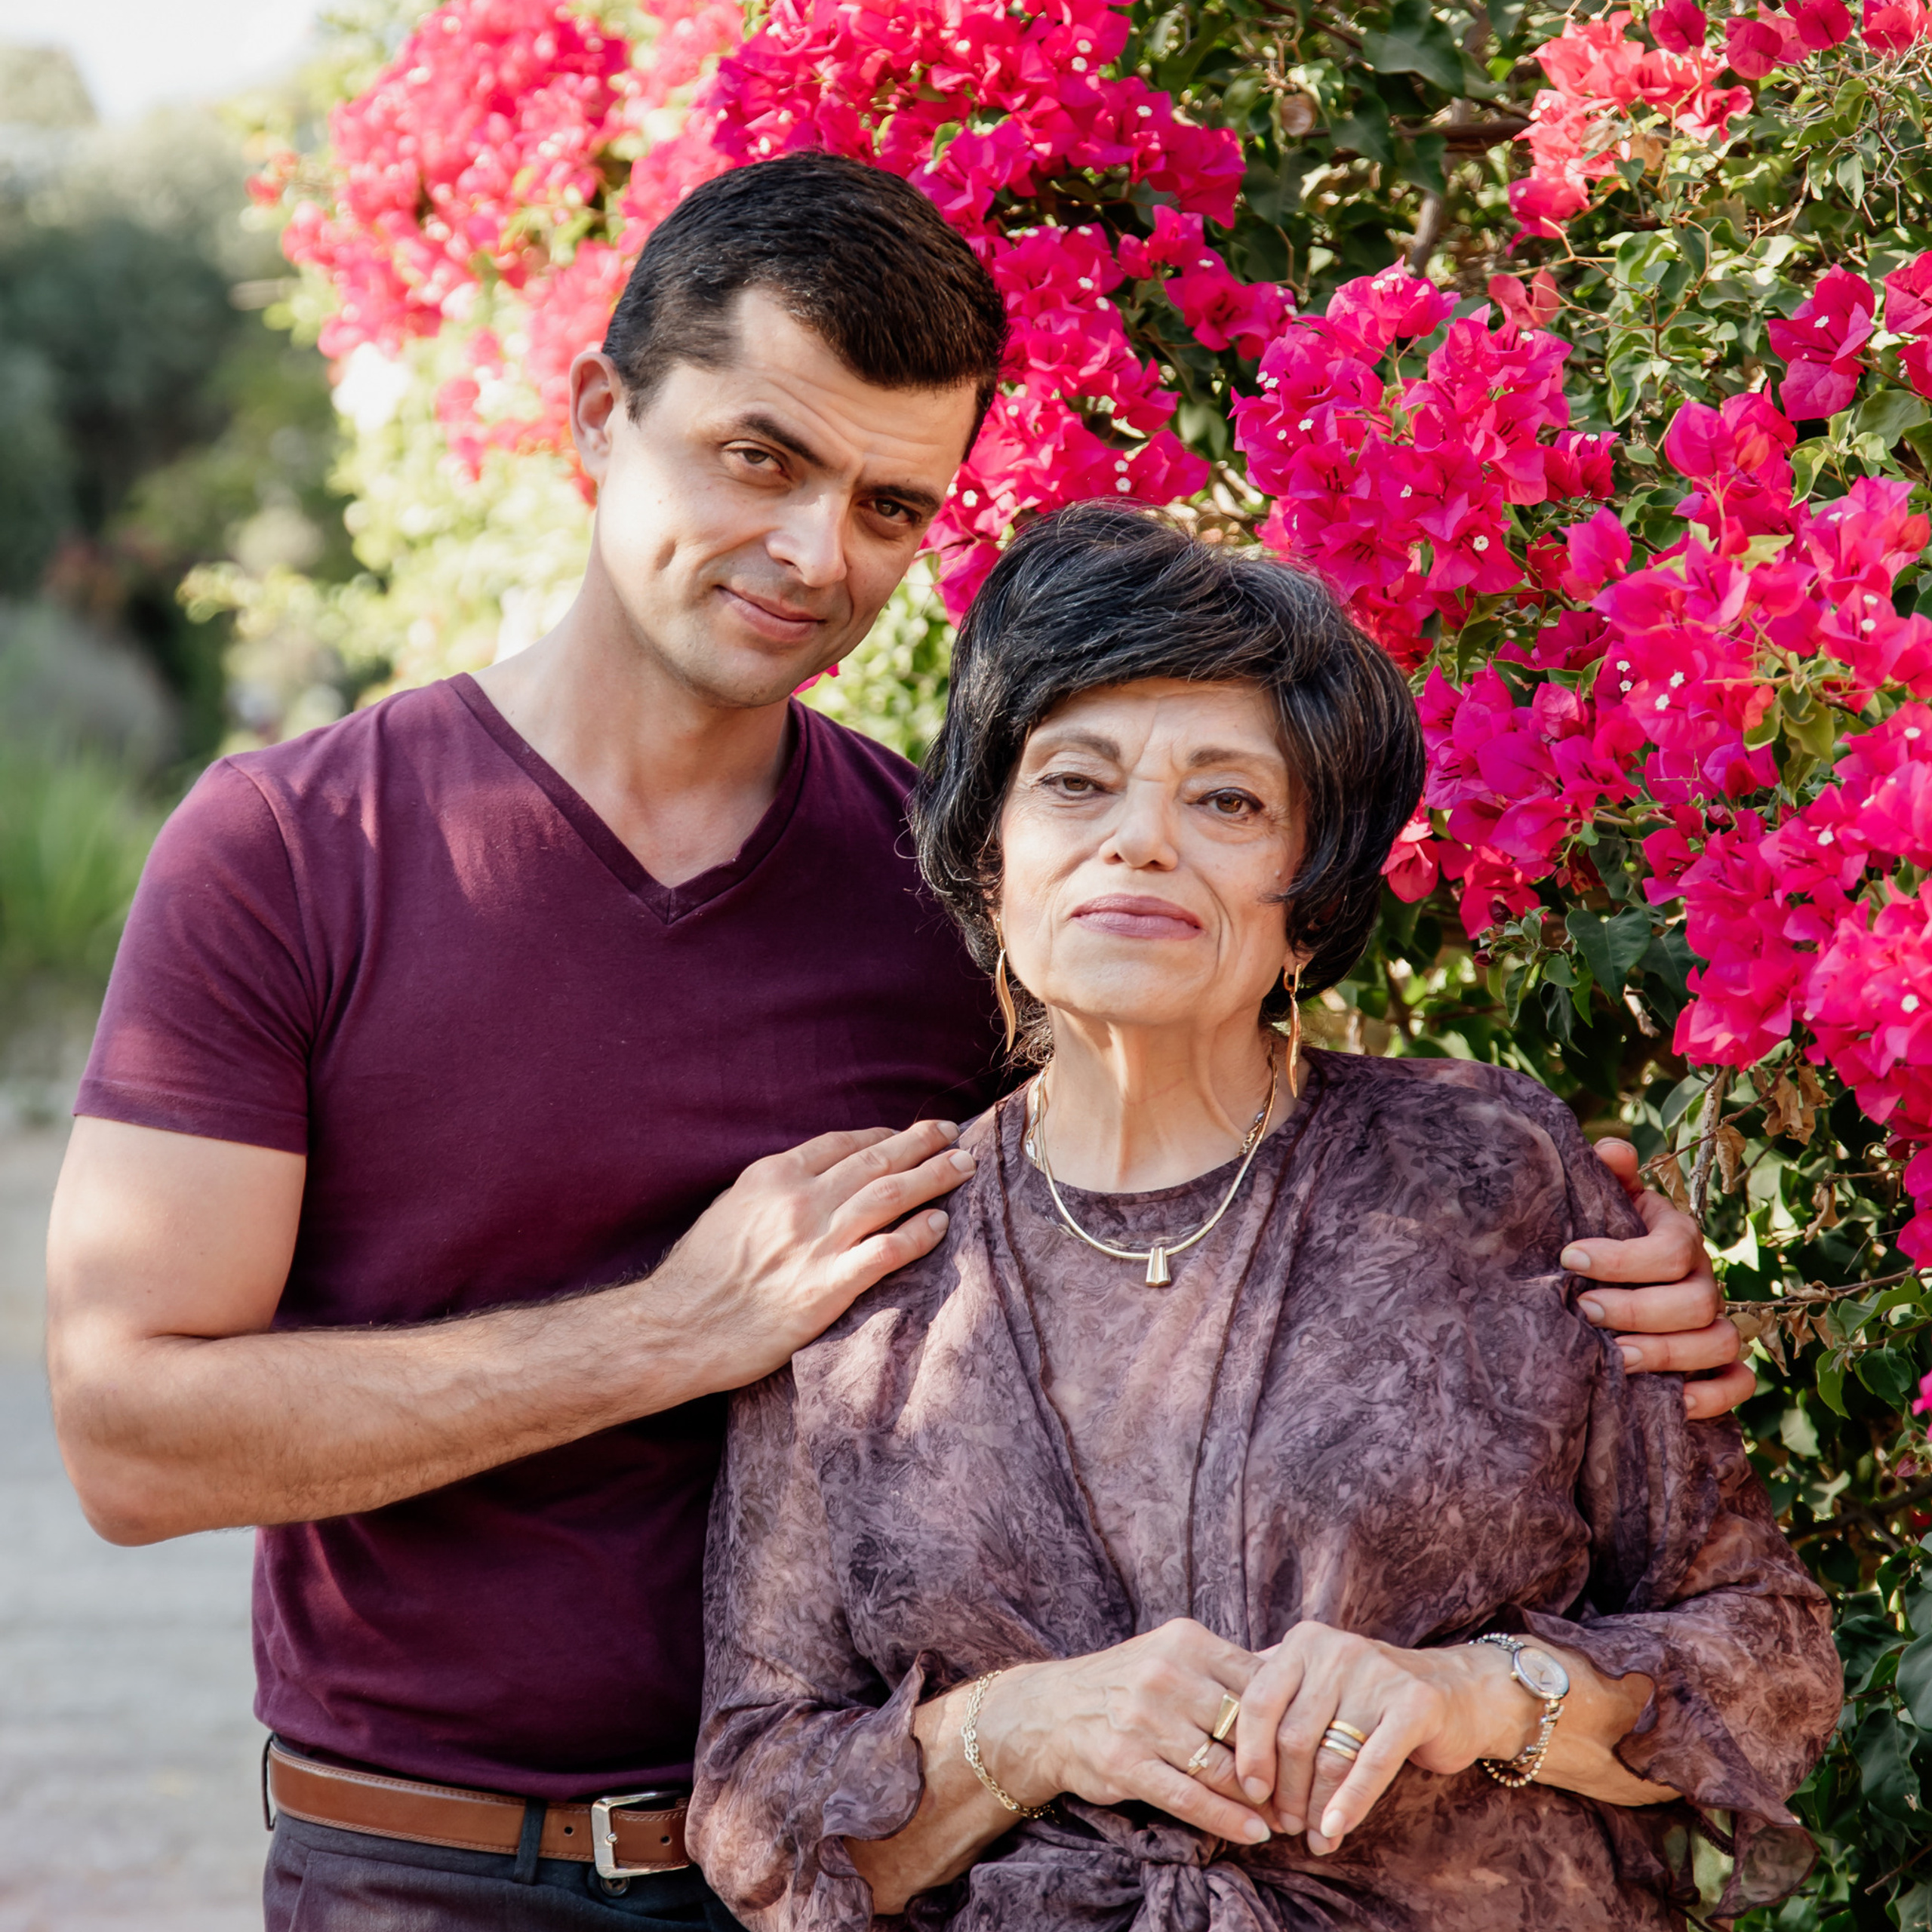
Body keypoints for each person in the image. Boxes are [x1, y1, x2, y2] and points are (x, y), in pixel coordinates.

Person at [46, 156, 1743, 1932]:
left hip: (900, 1866)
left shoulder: (961, 883)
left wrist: (1586, 1294)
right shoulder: (298, 851)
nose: (814, 555)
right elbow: (132, 1433)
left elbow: (1222, 1166)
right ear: (597, 414)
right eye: (759, 458)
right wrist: (665, 1333)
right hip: (438, 1866)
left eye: (885, 504)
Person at [689, 504, 1841, 1932]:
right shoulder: (873, 1264)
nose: (1143, 843)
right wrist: (1030, 1729)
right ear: (990, 858)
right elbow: (756, 1817)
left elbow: (1769, 1660)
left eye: (1226, 801)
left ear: (1310, 906)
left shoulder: (1492, 1177)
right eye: (1077, 785)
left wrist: (1476, 1693)